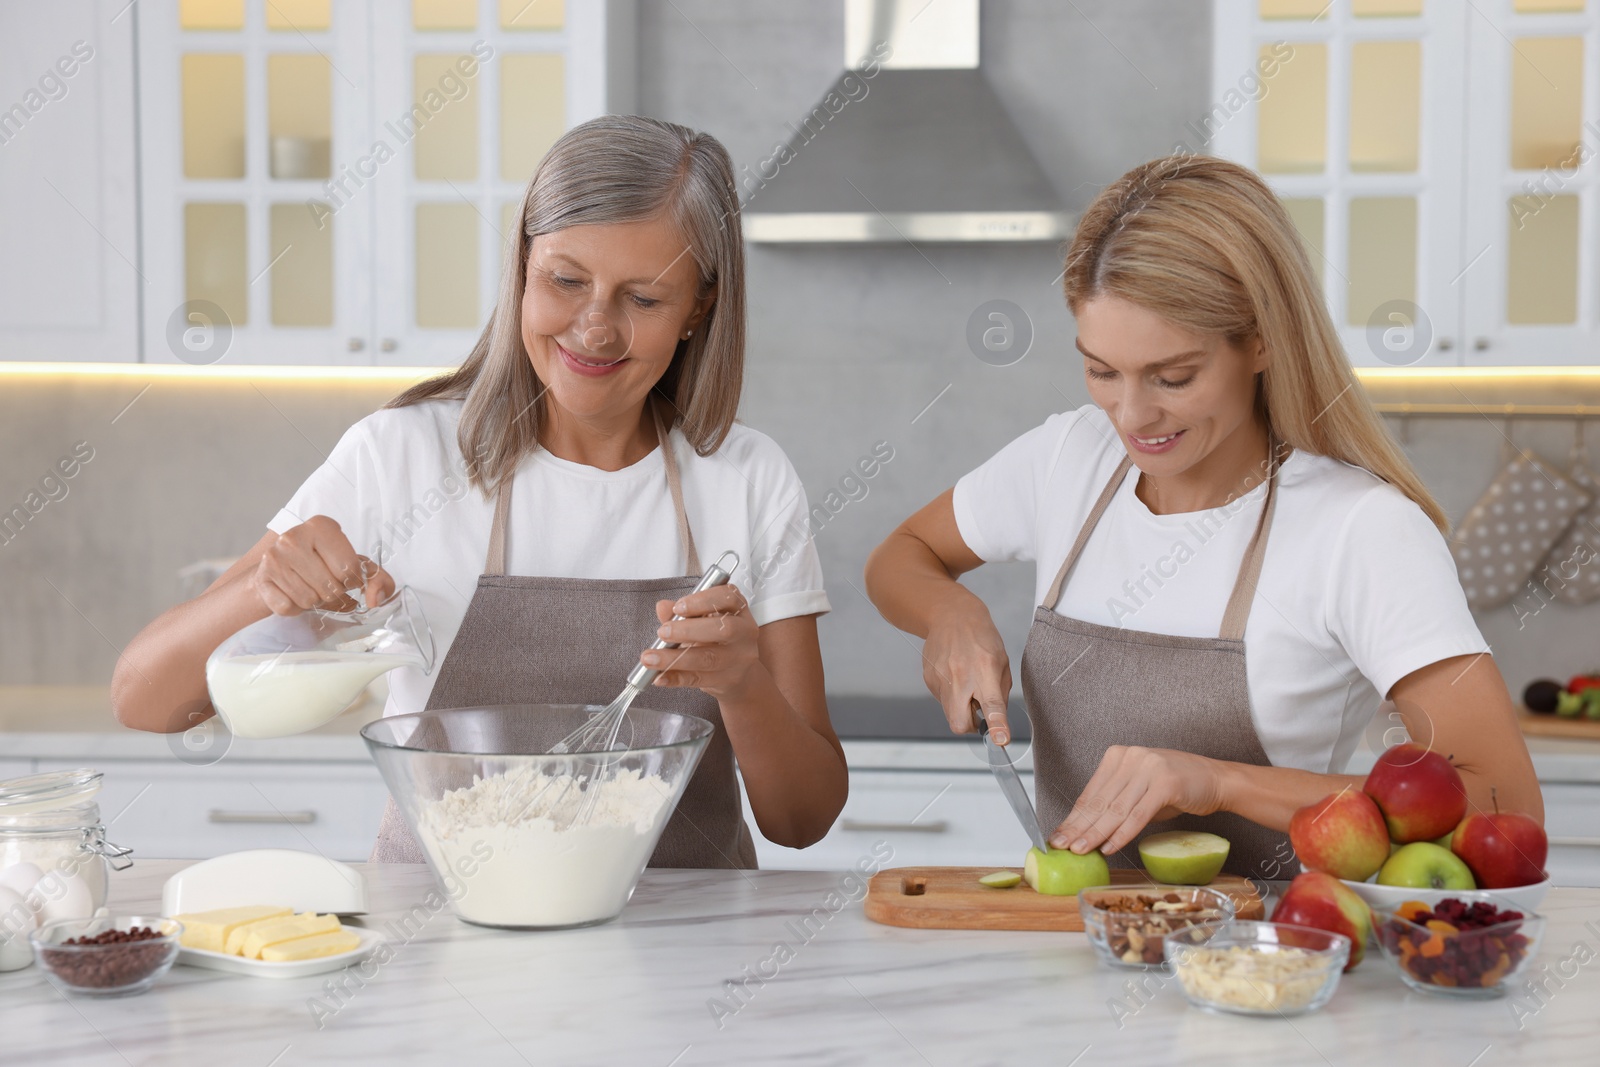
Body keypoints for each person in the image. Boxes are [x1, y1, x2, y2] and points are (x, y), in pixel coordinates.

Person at [112, 116, 848, 867]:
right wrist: (269, 592)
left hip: (683, 955)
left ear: (698, 308)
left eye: (644, 299)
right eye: (565, 280)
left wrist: (743, 684)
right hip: (438, 946)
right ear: (523, 268)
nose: (595, 328)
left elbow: (801, 819)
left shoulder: (748, 479)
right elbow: (144, 698)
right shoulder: (399, 456)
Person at [864, 154, 1542, 878]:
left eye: (1173, 376)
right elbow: (900, 556)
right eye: (1101, 370)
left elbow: (1505, 802)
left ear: (1261, 340)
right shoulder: (1068, 458)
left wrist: (1221, 781)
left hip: (1273, 965)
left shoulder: (1362, 530)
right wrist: (950, 613)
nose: (1130, 415)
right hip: (1072, 955)